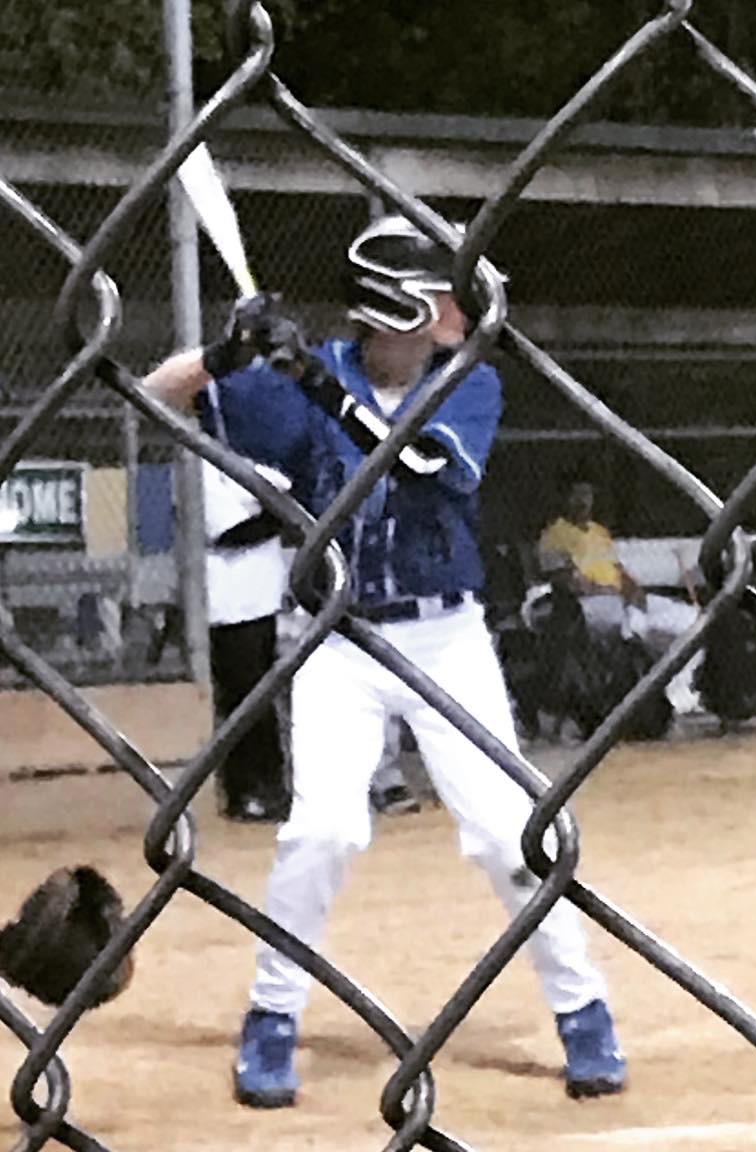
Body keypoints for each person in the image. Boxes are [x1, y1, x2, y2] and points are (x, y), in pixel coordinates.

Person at [141, 214, 626, 1106]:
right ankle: (272, 1016)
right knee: (321, 831)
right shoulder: (307, 373)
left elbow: (427, 468)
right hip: (341, 638)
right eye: (443, 297)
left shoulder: (465, 382)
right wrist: (226, 352)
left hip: (446, 639)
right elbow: (152, 395)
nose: (460, 312)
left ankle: (582, 1007)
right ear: (396, 307)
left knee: (510, 835)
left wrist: (318, 391)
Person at [536, 478, 702, 715]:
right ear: (565, 499)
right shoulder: (553, 536)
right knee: (638, 627)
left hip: (621, 598)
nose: (583, 501)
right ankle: (643, 695)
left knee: (692, 620)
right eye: (577, 495)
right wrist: (612, 593)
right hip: (589, 605)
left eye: (587, 495)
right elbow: (566, 583)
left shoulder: (599, 532)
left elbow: (619, 571)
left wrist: (634, 590)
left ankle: (680, 691)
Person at [201, 430, 293, 823]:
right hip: (227, 605)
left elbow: (289, 495)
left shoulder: (256, 456)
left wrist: (276, 511)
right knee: (241, 699)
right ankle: (246, 791)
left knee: (262, 699)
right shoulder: (202, 463)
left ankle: (270, 788)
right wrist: (280, 513)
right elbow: (231, 532)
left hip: (261, 601)